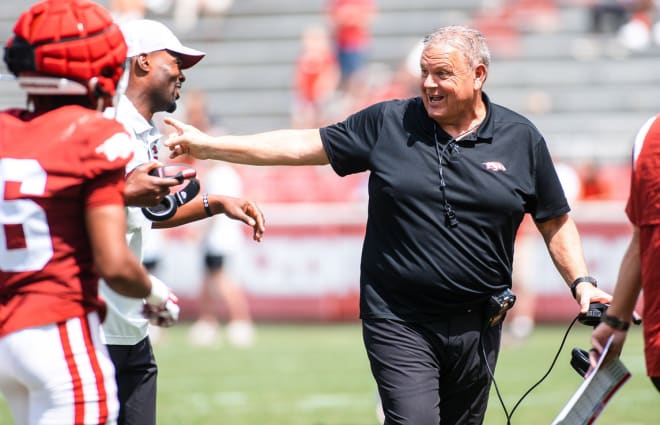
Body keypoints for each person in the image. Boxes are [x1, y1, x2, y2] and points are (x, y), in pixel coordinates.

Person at [163, 25, 612, 424]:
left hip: (480, 321)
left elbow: (554, 219)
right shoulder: (389, 122)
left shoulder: (522, 138)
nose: (429, 85)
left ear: (478, 76)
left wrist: (582, 282)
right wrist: (210, 146)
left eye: (443, 74)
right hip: (399, 318)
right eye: (424, 72)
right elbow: (304, 144)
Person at [0, 1, 175, 423]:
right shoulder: (95, 135)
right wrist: (155, 293)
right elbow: (114, 263)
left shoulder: (6, 129)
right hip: (60, 331)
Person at [101, 19, 265, 425]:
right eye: (174, 60)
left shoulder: (142, 131)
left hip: (127, 324)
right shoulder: (108, 127)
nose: (182, 72)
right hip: (96, 325)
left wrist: (215, 203)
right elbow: (78, 202)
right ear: (141, 63)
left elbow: (149, 212)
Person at [590, 114, 660, 392]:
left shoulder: (651, 135)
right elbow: (644, 235)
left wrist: (616, 323)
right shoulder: (650, 136)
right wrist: (615, 321)